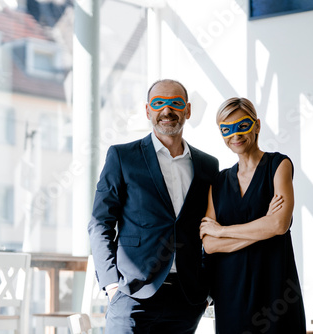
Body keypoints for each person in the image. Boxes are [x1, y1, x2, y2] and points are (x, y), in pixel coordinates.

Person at [88, 79, 219, 333]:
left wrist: (208, 290)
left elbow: (212, 228)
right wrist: (112, 285)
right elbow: (100, 222)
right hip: (132, 295)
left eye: (175, 103)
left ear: (188, 111)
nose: (166, 110)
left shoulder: (208, 166)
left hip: (187, 299)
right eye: (158, 103)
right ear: (148, 111)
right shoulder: (122, 157)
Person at [199, 97, 306, 333]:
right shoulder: (217, 182)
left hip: (275, 288)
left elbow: (278, 224)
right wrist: (263, 228)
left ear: (257, 125)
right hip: (231, 292)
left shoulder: (279, 165)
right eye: (227, 129)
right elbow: (210, 244)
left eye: (242, 125)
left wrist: (223, 231)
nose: (235, 135)